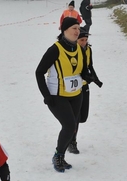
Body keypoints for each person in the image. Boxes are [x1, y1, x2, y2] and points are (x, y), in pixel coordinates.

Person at [35, 17, 93, 172]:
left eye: (78, 28)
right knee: (68, 126)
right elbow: (39, 72)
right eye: (74, 28)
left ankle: (62, 156)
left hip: (76, 94)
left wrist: (87, 76)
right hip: (57, 95)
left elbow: (81, 69)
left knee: (73, 126)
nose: (77, 31)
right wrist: (46, 95)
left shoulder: (79, 49)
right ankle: (58, 155)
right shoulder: (55, 50)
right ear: (64, 30)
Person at [68, 28, 102, 154]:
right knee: (75, 118)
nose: (84, 42)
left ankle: (69, 133)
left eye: (86, 40)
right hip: (73, 88)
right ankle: (72, 141)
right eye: (81, 40)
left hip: (84, 85)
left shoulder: (88, 49)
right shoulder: (70, 51)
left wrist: (96, 79)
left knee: (83, 117)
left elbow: (89, 66)